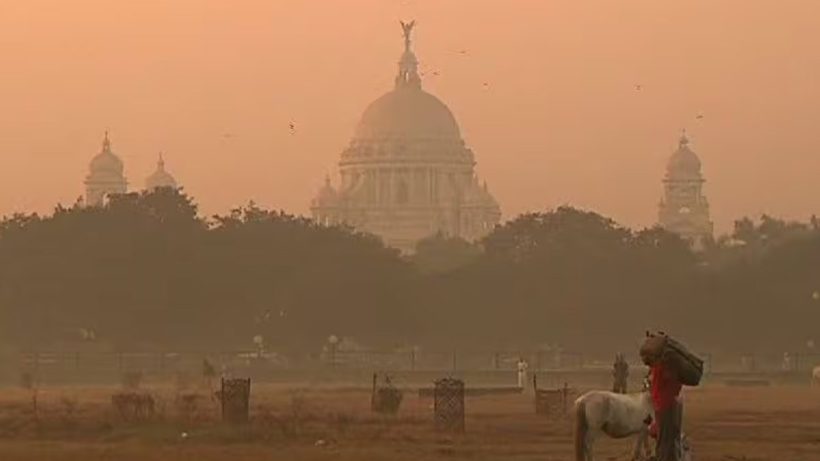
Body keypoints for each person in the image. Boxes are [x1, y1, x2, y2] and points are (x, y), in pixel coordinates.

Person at [647, 353, 683, 461]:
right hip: (670, 404)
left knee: (664, 438)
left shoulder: (659, 369)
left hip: (663, 405)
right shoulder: (670, 369)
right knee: (669, 436)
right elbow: (677, 386)